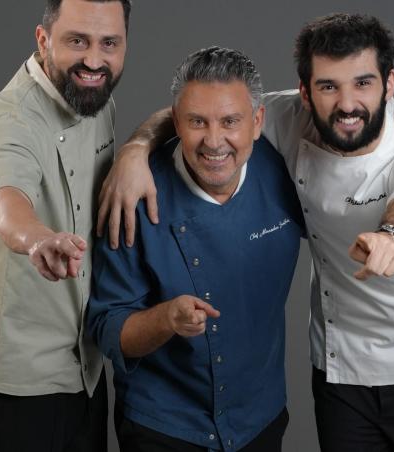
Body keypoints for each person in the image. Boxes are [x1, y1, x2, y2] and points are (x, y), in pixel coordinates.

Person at [97, 13, 394, 452]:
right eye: (328, 86)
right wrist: (136, 149)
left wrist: (393, 235)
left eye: (363, 83)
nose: (347, 104)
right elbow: (206, 110)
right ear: (305, 93)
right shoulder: (285, 122)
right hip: (342, 378)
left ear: (389, 84)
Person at [87, 47, 304, 452]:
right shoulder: (134, 195)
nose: (214, 141)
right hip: (165, 427)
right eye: (197, 122)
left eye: (230, 121)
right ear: (176, 122)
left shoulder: (286, 171)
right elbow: (108, 327)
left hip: (259, 418)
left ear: (257, 121)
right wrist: (166, 318)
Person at [0, 1, 131, 450]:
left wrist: (138, 150)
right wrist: (37, 238)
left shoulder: (96, 98)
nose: (94, 60)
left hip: (84, 371)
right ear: (43, 40)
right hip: (15, 387)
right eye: (77, 41)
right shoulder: (10, 121)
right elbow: (7, 203)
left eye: (109, 43)